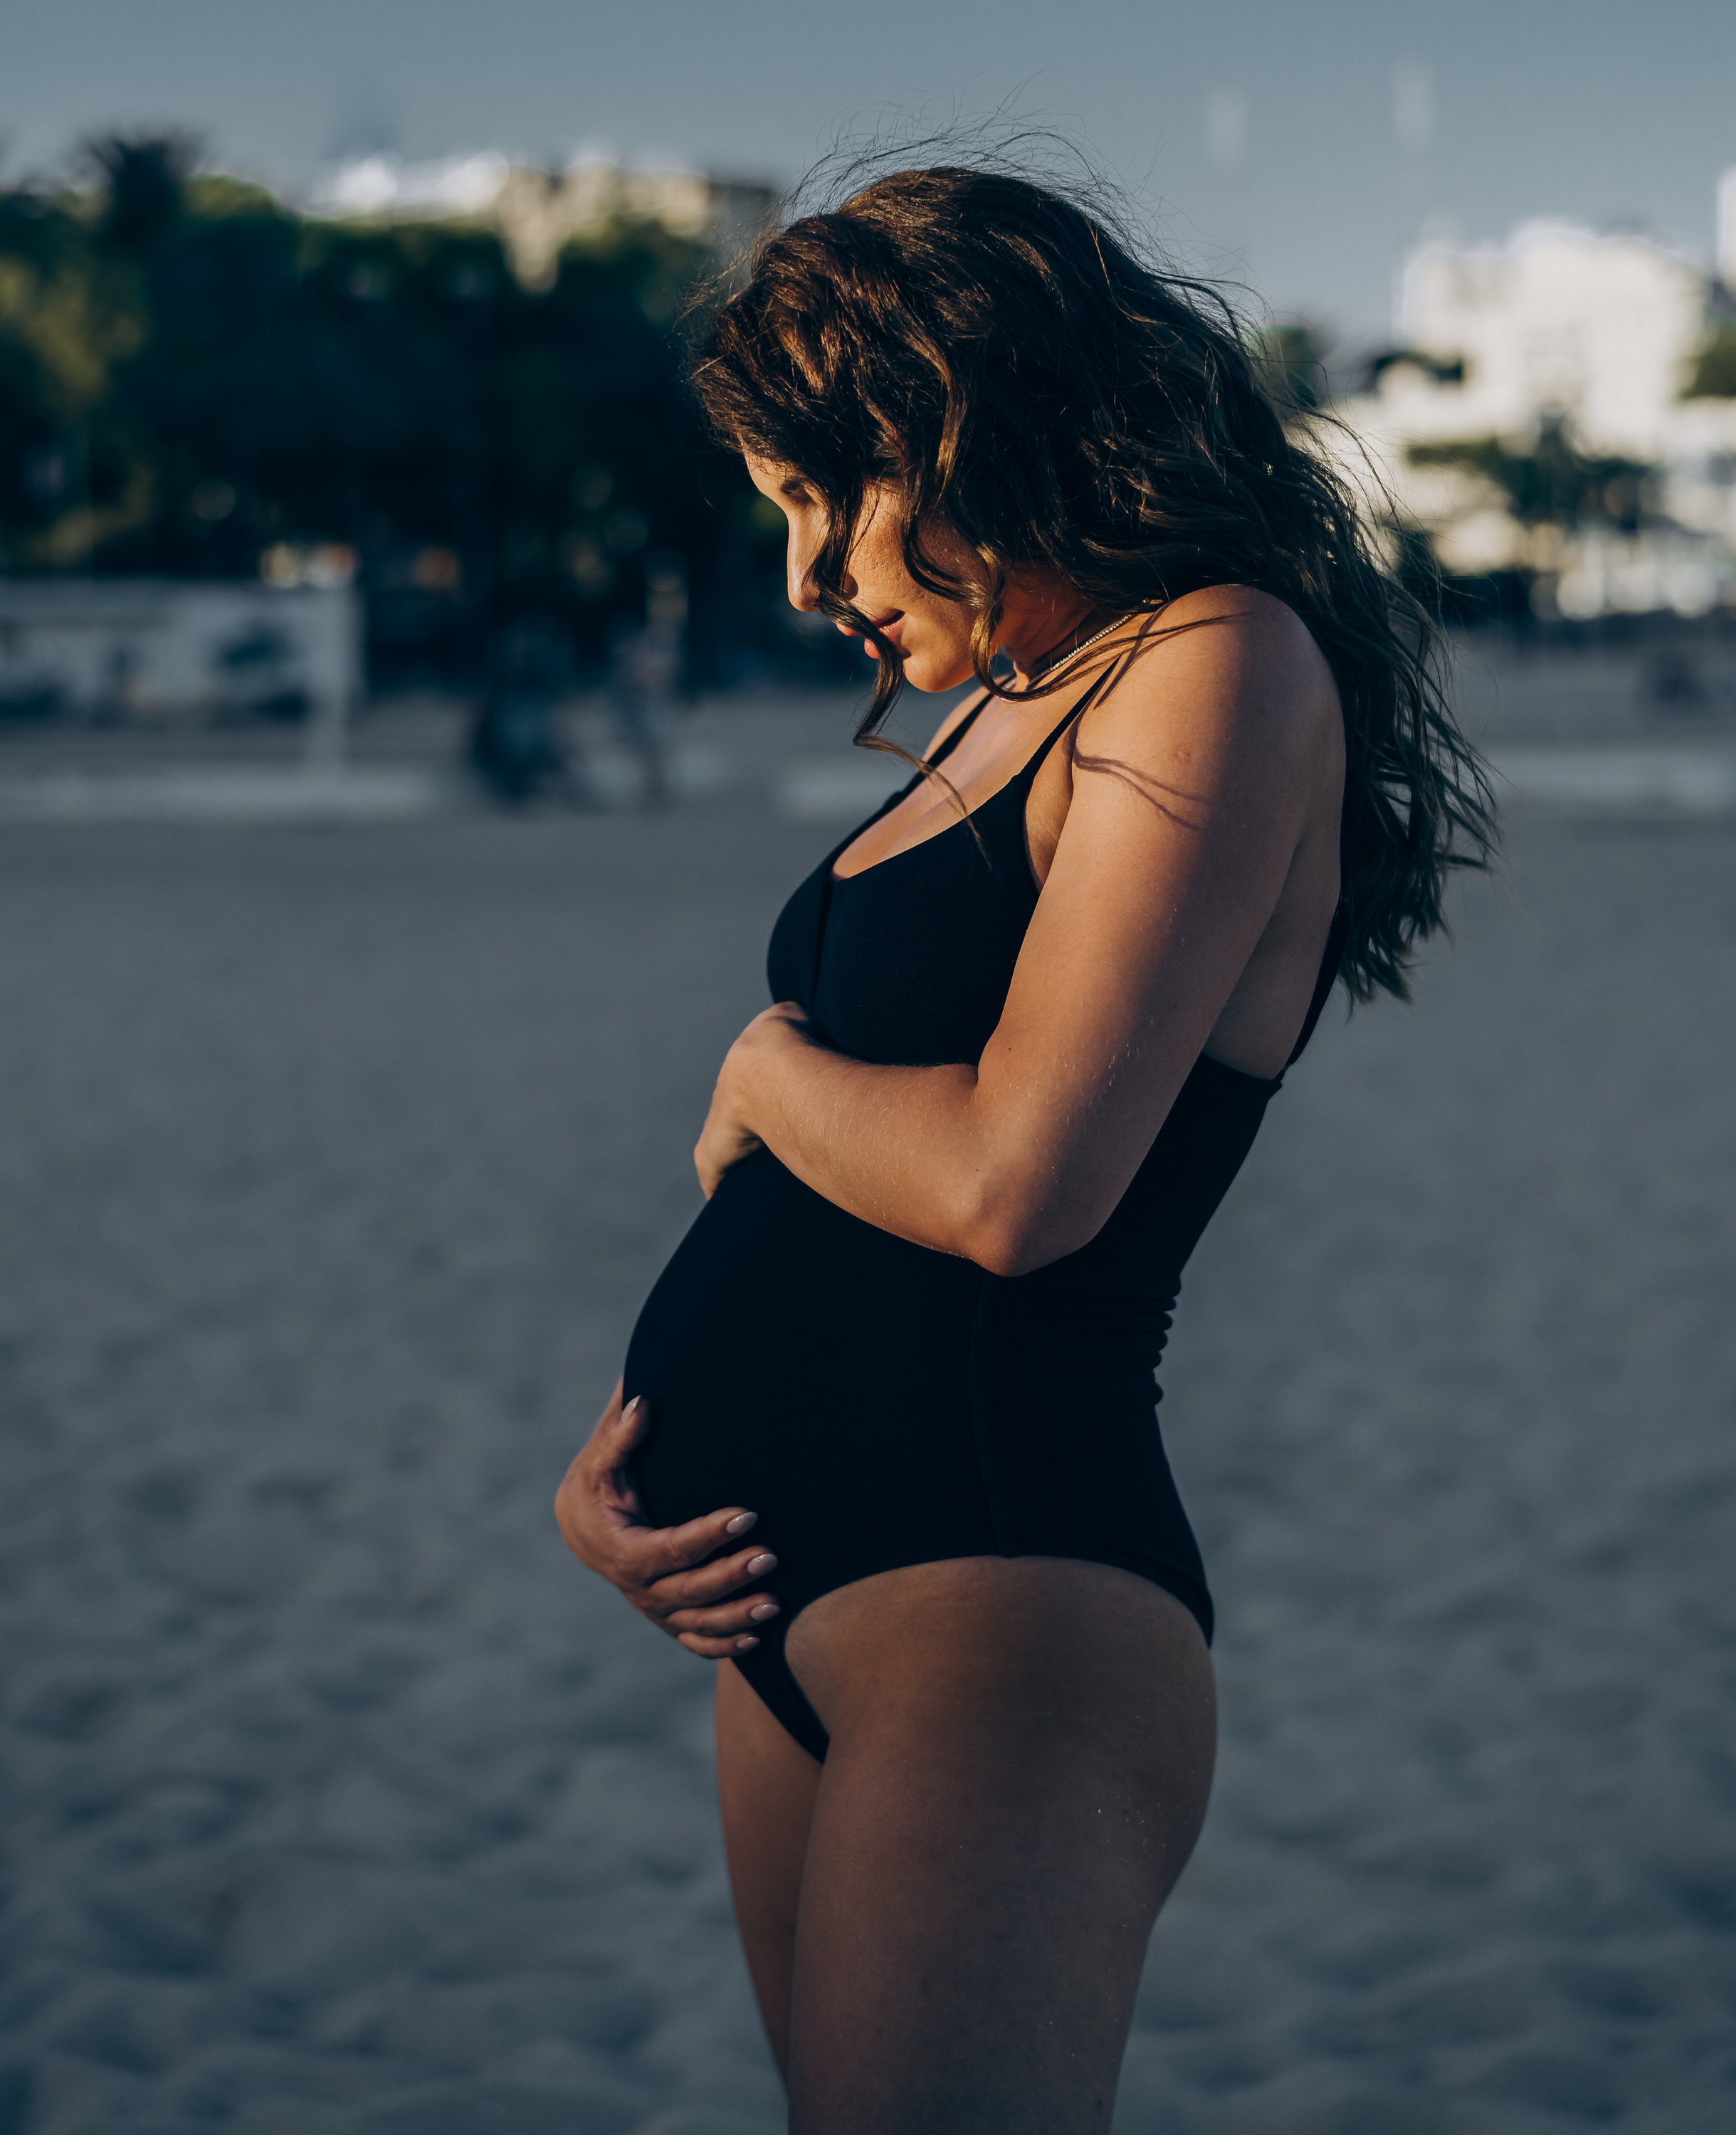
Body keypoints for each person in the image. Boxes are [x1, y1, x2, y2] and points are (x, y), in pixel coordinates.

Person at [557, 165, 1489, 2133]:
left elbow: (1013, 1184)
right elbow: (842, 1168)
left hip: (997, 1602)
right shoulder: (1005, 702)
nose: (808, 579)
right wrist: (628, 1450)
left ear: (963, 418)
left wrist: (758, 1070)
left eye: (831, 497)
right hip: (770, 1608)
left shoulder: (1216, 660)